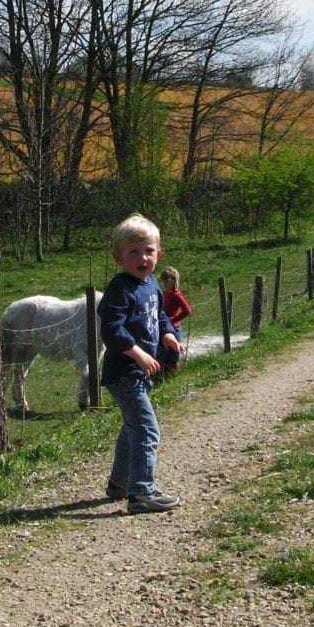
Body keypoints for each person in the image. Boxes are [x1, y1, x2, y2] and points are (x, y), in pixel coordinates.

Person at [98, 214, 185, 514]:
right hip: (123, 372)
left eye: (148, 250)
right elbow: (112, 330)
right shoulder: (120, 289)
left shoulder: (151, 287)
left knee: (132, 426)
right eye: (133, 252)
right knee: (147, 429)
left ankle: (120, 484)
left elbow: (160, 317)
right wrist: (138, 353)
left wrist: (169, 336)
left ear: (158, 254)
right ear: (118, 257)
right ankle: (142, 493)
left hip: (140, 372)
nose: (142, 258)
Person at [158, 266, 191, 378]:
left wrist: (173, 319)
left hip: (174, 328)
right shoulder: (164, 293)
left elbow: (187, 310)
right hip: (163, 327)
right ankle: (162, 375)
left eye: (169, 279)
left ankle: (173, 376)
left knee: (173, 354)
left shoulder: (176, 295)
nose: (166, 282)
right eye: (164, 280)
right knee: (163, 352)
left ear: (174, 280)